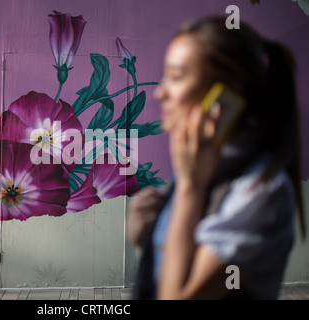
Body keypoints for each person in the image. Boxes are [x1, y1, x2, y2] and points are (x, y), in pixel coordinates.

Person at [127, 16, 306, 300]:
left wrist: (189, 189)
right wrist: (145, 237)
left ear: (224, 95)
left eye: (175, 76)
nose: (159, 92)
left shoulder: (260, 192)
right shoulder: (206, 165)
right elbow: (177, 263)